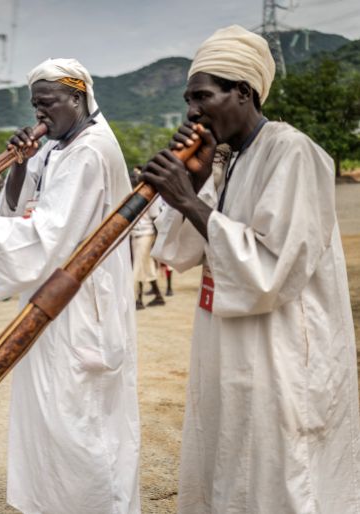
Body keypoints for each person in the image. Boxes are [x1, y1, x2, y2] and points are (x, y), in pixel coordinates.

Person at [143, 25, 360, 513]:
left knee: (277, 472)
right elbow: (177, 255)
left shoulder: (293, 151)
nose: (192, 111)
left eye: (202, 96)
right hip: (227, 348)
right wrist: (193, 187)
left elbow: (271, 270)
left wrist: (189, 200)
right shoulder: (225, 161)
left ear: (244, 91)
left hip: (280, 351)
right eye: (188, 100)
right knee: (229, 458)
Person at [0, 59, 140, 514]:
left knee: (80, 421)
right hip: (53, 301)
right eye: (35, 105)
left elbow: (48, 235)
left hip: (80, 307)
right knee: (53, 417)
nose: (39, 114)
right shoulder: (59, 145)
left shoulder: (90, 150)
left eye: (48, 103)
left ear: (78, 97)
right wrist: (19, 163)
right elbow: (21, 206)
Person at [129, 168, 164, 309]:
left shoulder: (149, 196)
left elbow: (156, 218)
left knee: (137, 267)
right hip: (135, 235)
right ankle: (158, 296)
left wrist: (156, 240)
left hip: (146, 234)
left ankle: (137, 299)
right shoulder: (131, 195)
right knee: (147, 266)